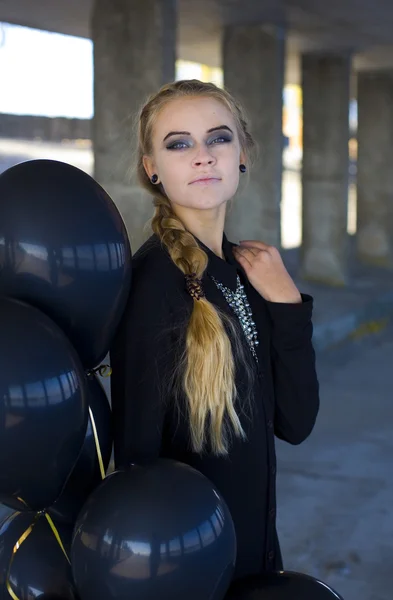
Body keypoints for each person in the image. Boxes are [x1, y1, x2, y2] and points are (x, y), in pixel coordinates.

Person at [110, 79, 320, 580]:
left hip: (255, 556)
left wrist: (287, 304)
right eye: (178, 143)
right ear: (152, 168)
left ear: (242, 153)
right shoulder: (152, 284)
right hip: (189, 570)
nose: (202, 156)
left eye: (218, 138)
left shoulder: (249, 271)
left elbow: (296, 422)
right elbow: (136, 463)